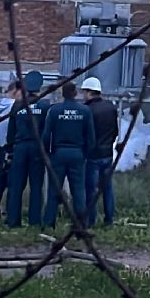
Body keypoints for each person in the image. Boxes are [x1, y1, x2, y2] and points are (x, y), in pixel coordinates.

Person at [42, 80, 95, 229]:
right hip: (77, 153)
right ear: (75, 93)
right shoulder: (84, 111)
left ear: (62, 94)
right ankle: (81, 223)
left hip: (58, 153)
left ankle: (48, 222)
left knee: (54, 189)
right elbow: (90, 136)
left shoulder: (54, 110)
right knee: (78, 191)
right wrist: (85, 153)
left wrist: (48, 153)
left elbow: (46, 135)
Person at [4, 71, 48, 227]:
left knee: (16, 185)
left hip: (20, 148)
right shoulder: (44, 106)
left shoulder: (17, 105)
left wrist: (9, 150)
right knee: (36, 185)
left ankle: (13, 220)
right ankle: (34, 221)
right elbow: (47, 129)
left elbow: (11, 131)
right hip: (37, 148)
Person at [79, 76, 120, 227]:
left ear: (89, 92)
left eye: (84, 91)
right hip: (108, 154)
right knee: (107, 188)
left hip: (93, 155)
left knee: (91, 190)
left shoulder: (87, 110)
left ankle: (91, 220)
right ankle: (109, 219)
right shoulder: (110, 107)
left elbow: (86, 134)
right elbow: (115, 131)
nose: (83, 94)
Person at [0, 78, 22, 223]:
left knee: (0, 181)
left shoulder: (1, 105)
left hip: (2, 147)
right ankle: (8, 213)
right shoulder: (14, 106)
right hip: (11, 146)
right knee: (12, 182)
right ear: (16, 91)